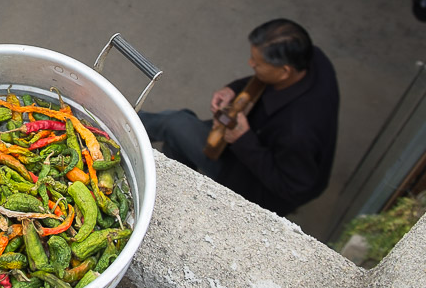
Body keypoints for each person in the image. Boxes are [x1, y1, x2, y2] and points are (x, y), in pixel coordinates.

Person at [138, 20, 339, 216]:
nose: (251, 64)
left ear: (285, 71)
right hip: (253, 132)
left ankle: (125, 125)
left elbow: (293, 188)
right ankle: (172, 183)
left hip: (250, 175)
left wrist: (244, 140)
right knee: (178, 141)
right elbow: (262, 80)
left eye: (258, 63)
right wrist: (234, 90)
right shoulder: (312, 59)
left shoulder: (297, 131)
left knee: (174, 123)